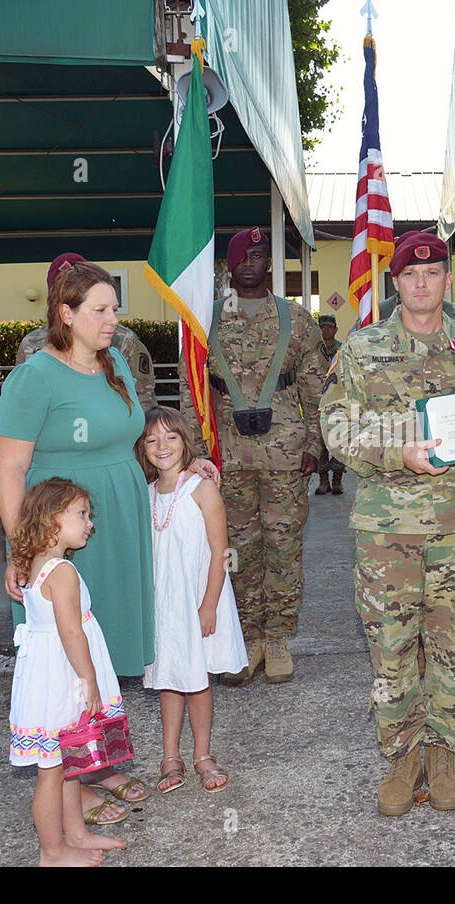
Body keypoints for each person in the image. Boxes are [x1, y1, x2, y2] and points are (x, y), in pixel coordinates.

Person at [321, 231, 455, 817]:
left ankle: (443, 748)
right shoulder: (362, 350)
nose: (421, 283)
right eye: (410, 275)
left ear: (445, 279)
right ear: (394, 282)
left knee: (451, 639)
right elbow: (338, 430)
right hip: (386, 527)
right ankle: (401, 751)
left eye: (433, 273)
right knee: (390, 644)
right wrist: (398, 454)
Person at [0, 259, 156, 824]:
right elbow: (10, 469)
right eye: (101, 310)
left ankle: (94, 762)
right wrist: (25, 552)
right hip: (61, 533)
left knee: (100, 647)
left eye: (115, 308)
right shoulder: (33, 376)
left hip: (115, 518)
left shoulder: (113, 365)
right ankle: (70, 784)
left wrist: (190, 464)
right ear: (66, 314)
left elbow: (136, 434)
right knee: (66, 656)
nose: (113, 319)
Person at [180, 226, 326, 686]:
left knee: (283, 547)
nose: (250, 263)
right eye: (241, 256)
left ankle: (279, 635)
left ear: (269, 263)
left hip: (285, 452)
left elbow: (316, 387)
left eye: (259, 255)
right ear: (228, 265)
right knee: (234, 550)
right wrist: (196, 454)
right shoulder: (204, 318)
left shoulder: (296, 319)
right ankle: (247, 637)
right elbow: (190, 388)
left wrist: (316, 445)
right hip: (226, 456)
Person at [7, 477, 130, 866]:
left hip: (48, 672)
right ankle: (52, 850)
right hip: (62, 677)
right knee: (51, 771)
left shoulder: (33, 564)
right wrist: (89, 679)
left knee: (68, 760)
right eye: (81, 514)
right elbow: (71, 630)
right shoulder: (61, 572)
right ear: (51, 518)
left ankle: (75, 834)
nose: (89, 523)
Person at [136, 407, 247, 794]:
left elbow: (220, 551)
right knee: (168, 675)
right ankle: (170, 756)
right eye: (151, 439)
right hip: (163, 602)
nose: (162, 446)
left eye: (171, 437)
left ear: (185, 441)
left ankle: (202, 753)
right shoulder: (145, 494)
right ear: (142, 448)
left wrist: (208, 605)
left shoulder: (202, 489)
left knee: (198, 678)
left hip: (198, 597)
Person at [15, 253, 159, 412]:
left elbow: (143, 398)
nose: (112, 320)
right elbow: (22, 405)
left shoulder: (123, 340)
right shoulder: (32, 344)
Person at [314, 314, 346, 495]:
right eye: (322, 327)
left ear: (335, 329)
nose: (325, 330)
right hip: (317, 402)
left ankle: (337, 480)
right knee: (320, 443)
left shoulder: (342, 349)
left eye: (329, 327)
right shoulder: (313, 350)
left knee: (338, 439)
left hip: (337, 402)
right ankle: (323, 480)